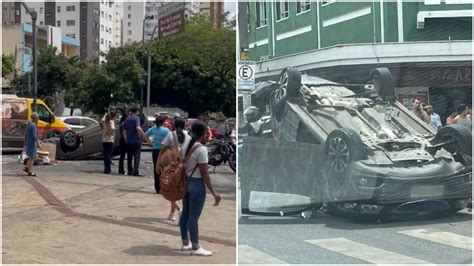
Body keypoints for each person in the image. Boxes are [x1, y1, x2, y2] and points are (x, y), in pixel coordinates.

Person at [178, 121, 221, 256]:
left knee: (185, 215)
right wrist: (213, 192)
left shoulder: (186, 146)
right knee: (193, 217)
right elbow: (204, 173)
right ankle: (196, 247)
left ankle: (186, 243)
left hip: (186, 183)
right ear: (202, 133)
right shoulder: (201, 149)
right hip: (197, 184)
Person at [158, 118, 188, 221]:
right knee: (178, 187)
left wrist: (158, 163)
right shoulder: (188, 135)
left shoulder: (171, 135)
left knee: (169, 188)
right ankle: (172, 213)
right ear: (184, 125)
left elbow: (162, 148)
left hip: (171, 166)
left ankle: (180, 210)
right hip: (183, 166)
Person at [144, 115, 170, 193]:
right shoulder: (166, 130)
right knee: (164, 169)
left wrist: (150, 143)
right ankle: (164, 187)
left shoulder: (153, 129)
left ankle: (157, 188)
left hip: (155, 149)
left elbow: (145, 135)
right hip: (164, 151)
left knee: (156, 168)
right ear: (163, 122)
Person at [122, 107, 146, 176]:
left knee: (129, 157)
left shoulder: (127, 120)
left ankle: (129, 170)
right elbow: (138, 127)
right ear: (136, 112)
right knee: (136, 157)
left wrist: (126, 139)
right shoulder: (136, 118)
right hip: (136, 140)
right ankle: (135, 171)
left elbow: (124, 131)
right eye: (138, 112)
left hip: (129, 141)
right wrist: (143, 135)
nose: (138, 113)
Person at [102, 110, 116, 174]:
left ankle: (106, 168)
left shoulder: (105, 122)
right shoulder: (111, 122)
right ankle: (108, 169)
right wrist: (111, 133)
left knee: (105, 155)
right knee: (109, 155)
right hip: (110, 140)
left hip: (104, 140)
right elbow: (113, 129)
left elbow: (100, 122)